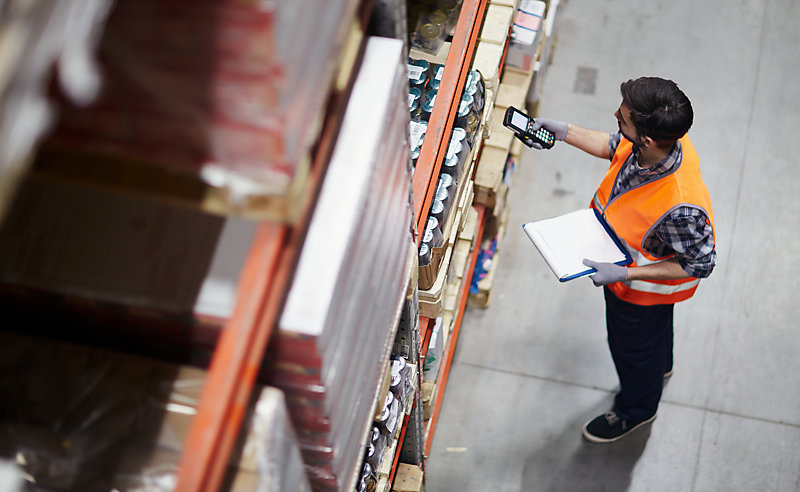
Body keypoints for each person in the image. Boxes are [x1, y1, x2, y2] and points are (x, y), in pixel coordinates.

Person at [532, 76, 716, 443]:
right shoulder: (661, 143)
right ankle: (660, 366)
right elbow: (615, 145)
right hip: (626, 278)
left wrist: (627, 273)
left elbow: (701, 263)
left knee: (633, 350)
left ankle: (638, 409)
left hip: (639, 295)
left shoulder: (681, 207)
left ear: (646, 139)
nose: (615, 116)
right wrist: (565, 131)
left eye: (623, 118)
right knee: (654, 344)